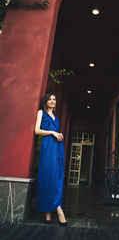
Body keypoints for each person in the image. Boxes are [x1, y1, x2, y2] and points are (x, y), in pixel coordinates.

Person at [35, 92, 68, 226]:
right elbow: (37, 131)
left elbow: (55, 132)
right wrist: (52, 132)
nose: (53, 101)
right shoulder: (41, 113)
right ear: (46, 101)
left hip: (58, 147)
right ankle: (58, 209)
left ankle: (48, 213)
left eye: (54, 99)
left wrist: (59, 134)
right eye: (50, 99)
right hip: (48, 147)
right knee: (48, 176)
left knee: (57, 177)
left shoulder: (56, 117)